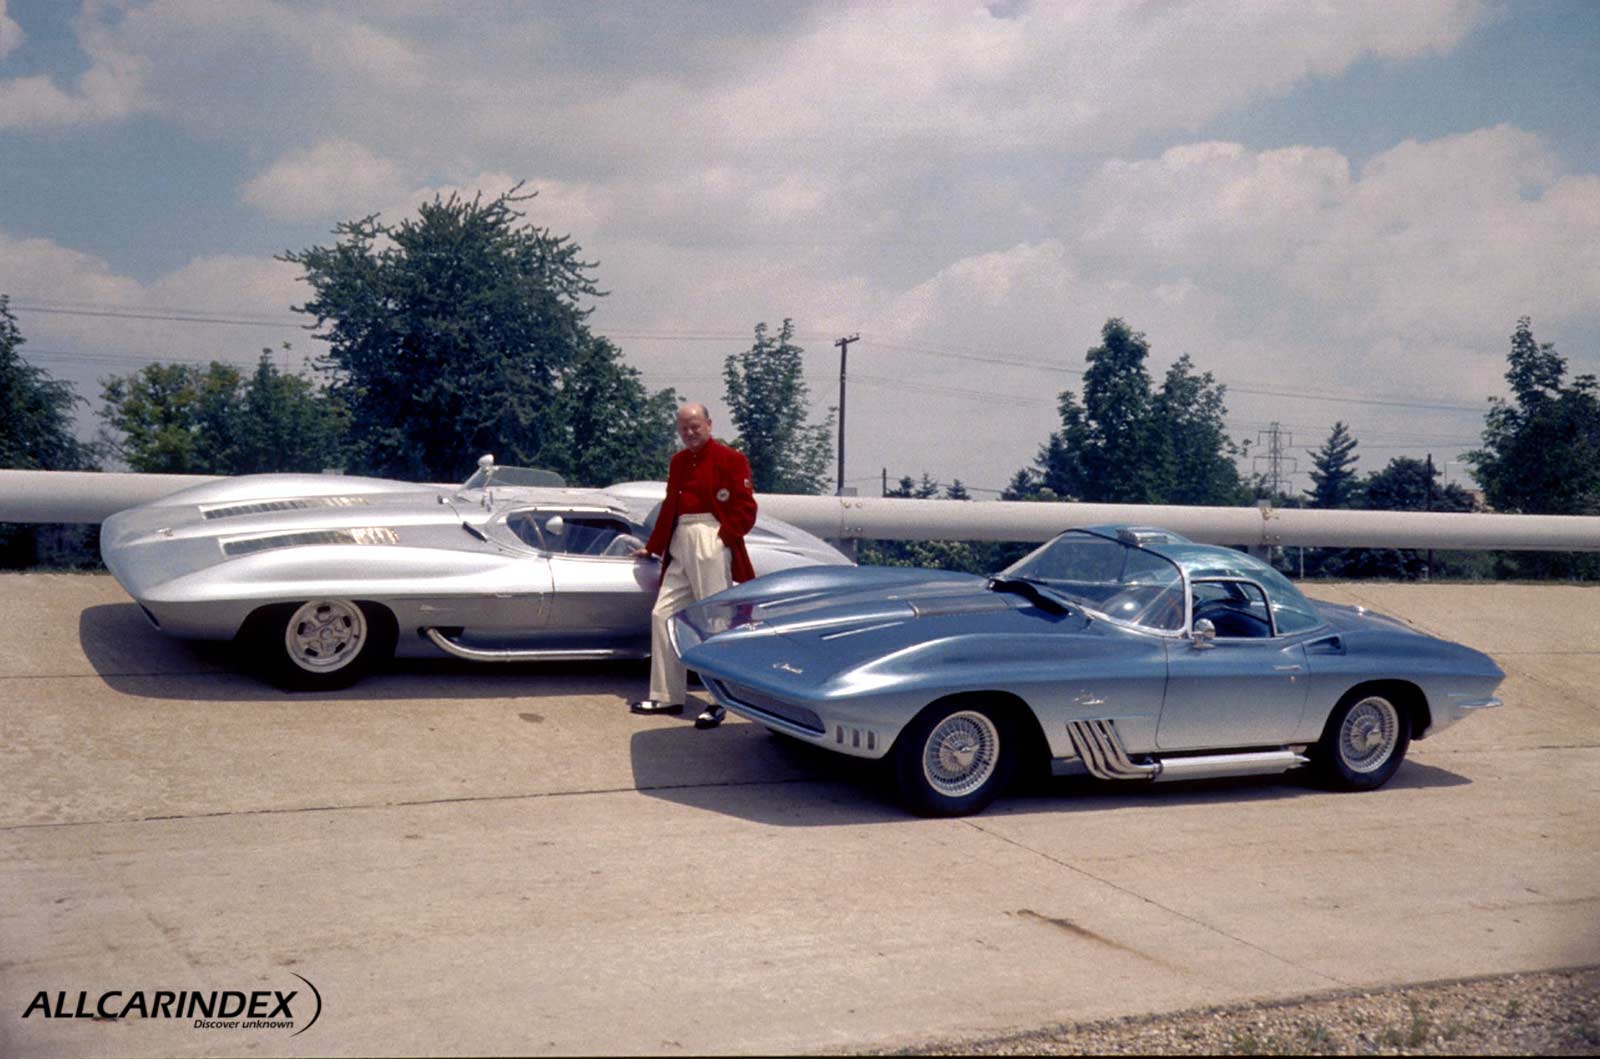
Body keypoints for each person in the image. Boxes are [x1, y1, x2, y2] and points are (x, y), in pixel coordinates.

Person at [629, 403, 757, 728]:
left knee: (714, 620)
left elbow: (746, 507)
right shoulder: (678, 462)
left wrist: (722, 538)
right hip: (680, 540)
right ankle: (667, 695)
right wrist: (653, 546)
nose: (689, 433)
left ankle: (718, 701)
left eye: (695, 426)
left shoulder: (732, 459)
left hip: (710, 536)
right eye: (683, 428)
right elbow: (670, 507)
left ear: (709, 425)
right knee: (663, 615)